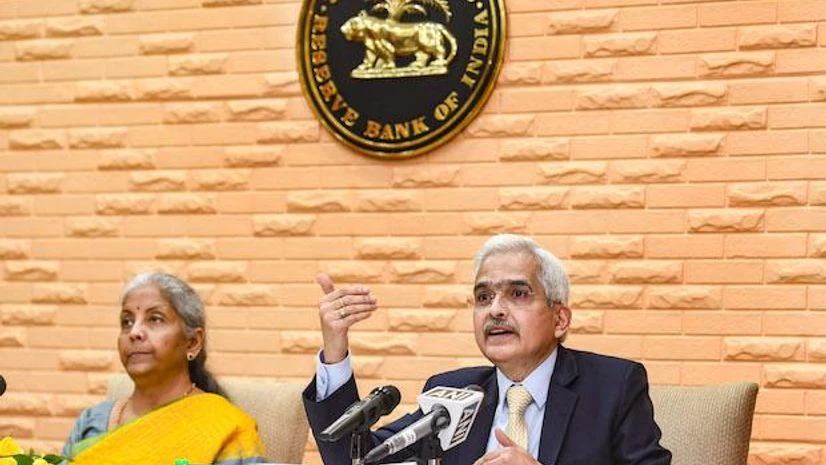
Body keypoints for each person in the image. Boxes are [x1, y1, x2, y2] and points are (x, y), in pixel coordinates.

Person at [303, 233, 671, 465]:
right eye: (483, 296)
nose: (495, 309)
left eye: (518, 293)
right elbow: (356, 459)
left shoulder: (613, 386)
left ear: (560, 320)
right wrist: (335, 347)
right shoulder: (452, 392)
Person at [62, 271, 267, 465]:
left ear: (193, 342)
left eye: (155, 319)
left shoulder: (226, 426)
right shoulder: (92, 421)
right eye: (126, 321)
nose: (134, 332)